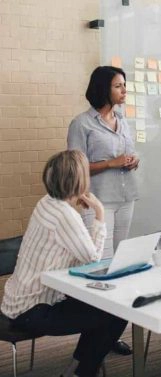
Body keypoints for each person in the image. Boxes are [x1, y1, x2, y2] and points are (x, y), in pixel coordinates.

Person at [1, 150, 127, 377]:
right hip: (34, 310)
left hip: (17, 303)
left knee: (105, 308)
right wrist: (99, 214)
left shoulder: (46, 203)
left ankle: (77, 369)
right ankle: (82, 371)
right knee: (116, 312)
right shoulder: (65, 216)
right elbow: (93, 261)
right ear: (80, 181)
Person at [67, 66, 137, 356]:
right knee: (101, 269)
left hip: (126, 197)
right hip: (97, 203)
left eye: (124, 85)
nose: (124, 91)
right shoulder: (81, 124)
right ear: (103, 89)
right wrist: (112, 162)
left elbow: (127, 155)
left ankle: (109, 334)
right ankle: (95, 337)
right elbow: (76, 167)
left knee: (120, 268)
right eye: (119, 86)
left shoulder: (123, 121)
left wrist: (132, 161)